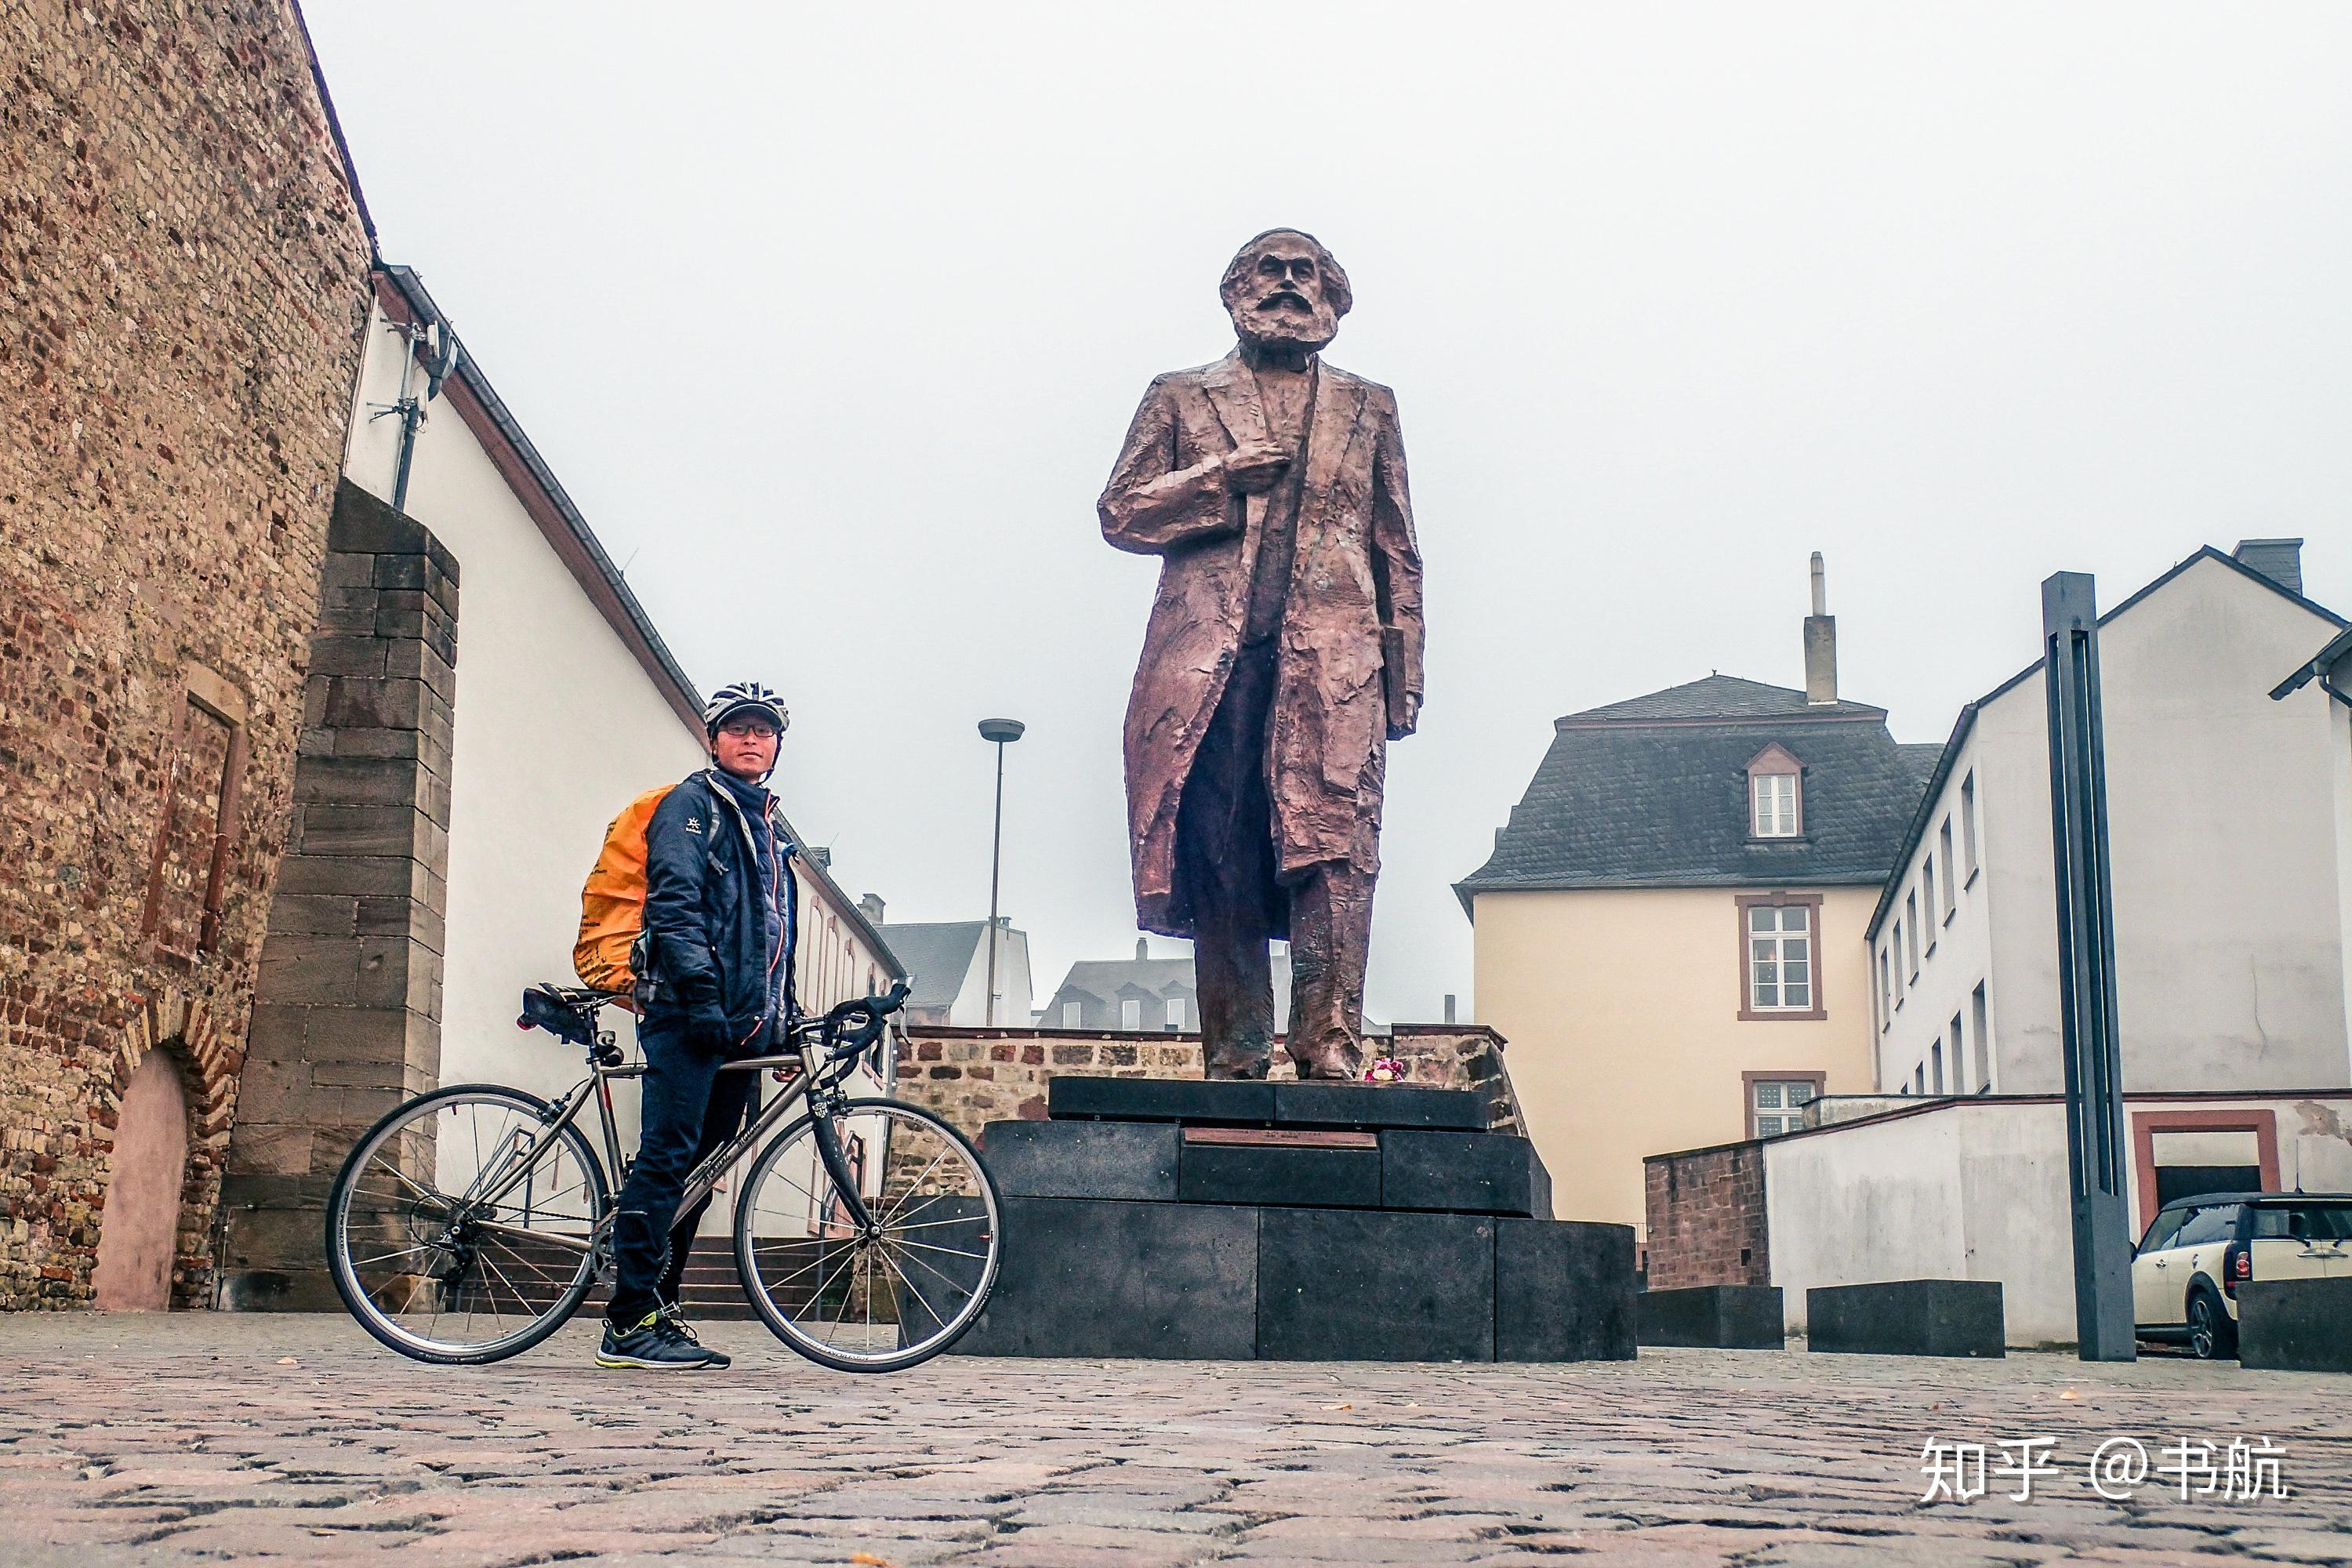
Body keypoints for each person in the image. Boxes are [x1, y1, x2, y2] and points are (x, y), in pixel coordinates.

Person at [1098, 228, 1425, 1081]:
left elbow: (1396, 545)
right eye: (1269, 271)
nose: (1288, 285)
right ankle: (1236, 1054)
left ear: (1333, 298)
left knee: (1337, 850)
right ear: (1235, 290)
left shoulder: (1370, 406)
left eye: (1305, 272)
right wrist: (1221, 479)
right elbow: (1122, 511)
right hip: (1211, 666)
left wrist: (1407, 677)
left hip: (1336, 667)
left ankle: (1331, 1047)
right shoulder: (1180, 396)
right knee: (1223, 851)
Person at [597, 681, 798, 1370]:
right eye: (737, 729)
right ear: (713, 740)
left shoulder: (771, 827)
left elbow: (776, 937)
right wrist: (704, 997)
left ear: (776, 746)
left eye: (763, 731)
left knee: (702, 1173)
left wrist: (786, 1025)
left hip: (738, 1029)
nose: (751, 739)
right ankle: (627, 1323)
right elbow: (675, 907)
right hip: (688, 1015)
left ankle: (663, 1308)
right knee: (668, 1157)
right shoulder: (693, 806)